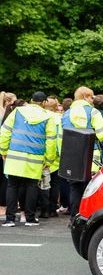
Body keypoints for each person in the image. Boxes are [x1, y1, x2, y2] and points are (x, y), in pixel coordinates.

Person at [1, 92, 57, 227]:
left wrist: (3, 150)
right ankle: (30, 218)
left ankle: (9, 219)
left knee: (12, 186)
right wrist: (48, 160)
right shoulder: (48, 117)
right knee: (32, 187)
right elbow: (51, 140)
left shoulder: (17, 111)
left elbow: (5, 131)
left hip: (14, 156)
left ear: (31, 100)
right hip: (35, 158)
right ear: (44, 103)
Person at [61, 86, 103, 221]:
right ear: (86, 97)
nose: (93, 100)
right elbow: (102, 134)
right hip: (90, 156)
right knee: (90, 188)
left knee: (75, 188)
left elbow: (61, 137)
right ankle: (88, 218)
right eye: (91, 97)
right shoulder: (93, 112)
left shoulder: (66, 113)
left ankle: (74, 218)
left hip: (71, 156)